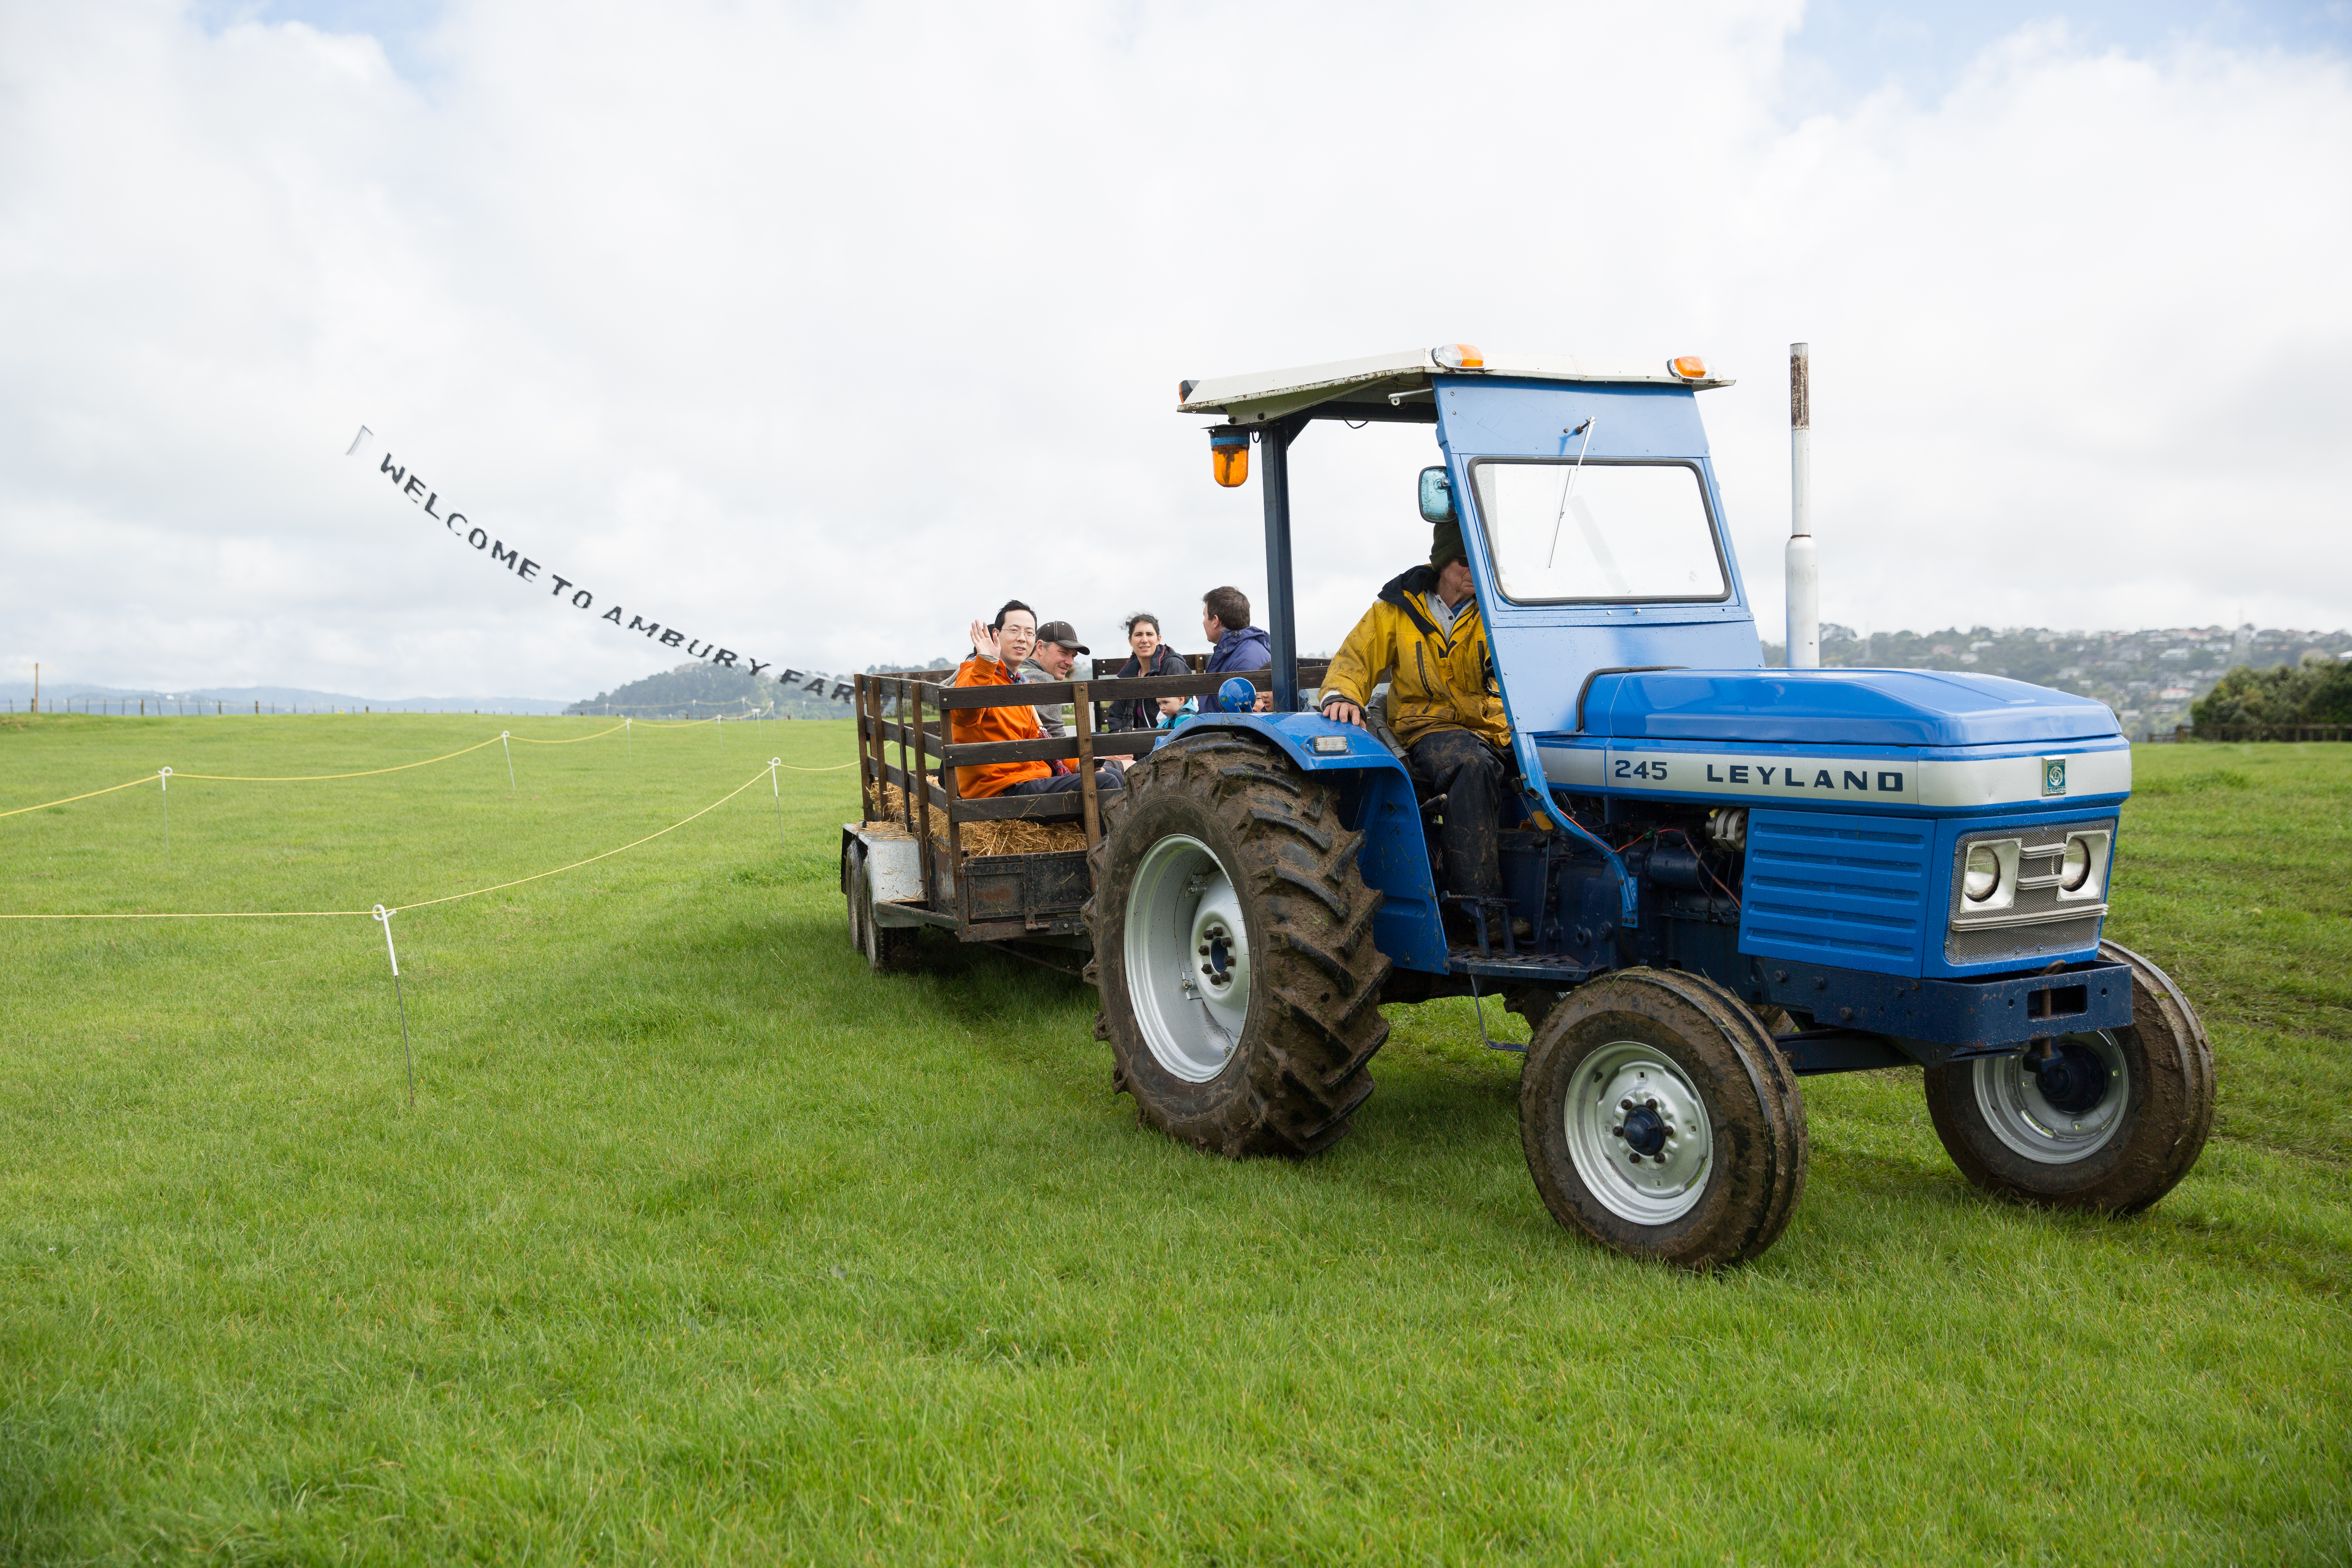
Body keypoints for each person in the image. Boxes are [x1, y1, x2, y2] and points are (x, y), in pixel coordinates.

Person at [1316, 518, 1511, 931]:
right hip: (1427, 727)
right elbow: (1354, 661)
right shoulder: (1396, 610)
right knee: (1471, 767)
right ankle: (1479, 911)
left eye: (1483, 560)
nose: (1474, 570)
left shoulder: (1502, 612)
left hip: (1497, 728)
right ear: (1442, 563)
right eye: (1465, 560)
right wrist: (1343, 695)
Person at [951, 606, 1125, 800]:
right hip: (1000, 787)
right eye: (1014, 630)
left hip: (1026, 777)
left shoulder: (1020, 684)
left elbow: (1041, 739)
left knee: (1112, 775)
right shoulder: (975, 673)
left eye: (1029, 633)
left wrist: (1078, 764)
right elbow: (964, 716)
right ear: (997, 635)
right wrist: (986, 661)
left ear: (1035, 640)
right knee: (1105, 783)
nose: (1022, 638)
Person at [1104, 611, 1192, 732]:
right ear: (1130, 641)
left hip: (1167, 738)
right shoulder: (1128, 674)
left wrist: (1138, 735)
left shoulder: (1172, 665)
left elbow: (1182, 712)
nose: (1144, 640)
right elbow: (1117, 717)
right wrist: (1122, 733)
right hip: (1135, 741)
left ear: (1158, 639)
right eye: (1139, 635)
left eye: (1149, 634)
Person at [1197, 586, 1271, 713]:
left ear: (1215, 621)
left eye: (1205, 617)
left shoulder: (1245, 658)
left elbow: (1242, 715)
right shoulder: (1239, 650)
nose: (1203, 622)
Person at [1019, 620, 1085, 739]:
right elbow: (1056, 739)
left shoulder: (1015, 671)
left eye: (1073, 656)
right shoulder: (1045, 680)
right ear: (1040, 647)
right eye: (1064, 653)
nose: (1070, 663)